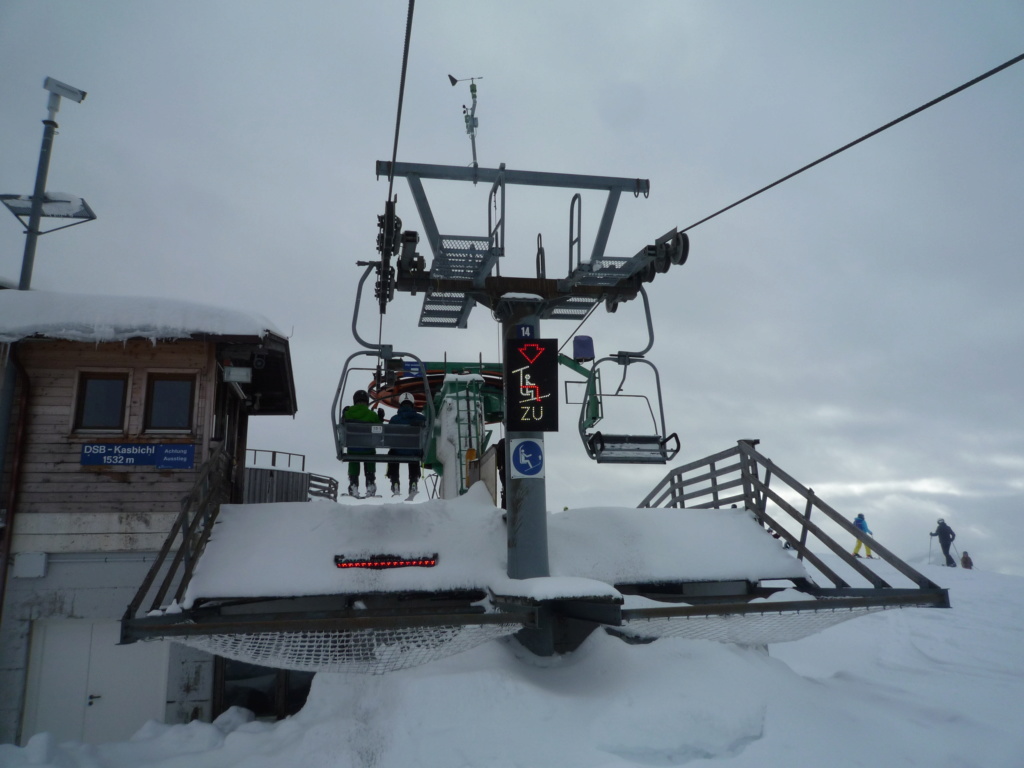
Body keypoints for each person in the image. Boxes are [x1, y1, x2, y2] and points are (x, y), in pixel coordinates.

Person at [342, 389, 382, 496]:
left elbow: (342, 426)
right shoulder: (371, 415)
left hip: (353, 448)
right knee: (369, 454)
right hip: (368, 448)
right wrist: (380, 418)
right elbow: (380, 429)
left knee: (353, 455)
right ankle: (370, 483)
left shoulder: (348, 413)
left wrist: (343, 414)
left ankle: (353, 484)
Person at [385, 392, 426, 495]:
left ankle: (395, 481)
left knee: (392, 453)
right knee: (415, 453)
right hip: (414, 451)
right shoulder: (420, 418)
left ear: (400, 404)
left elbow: (388, 436)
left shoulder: (394, 419)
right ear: (412, 404)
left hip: (397, 451)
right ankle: (413, 480)